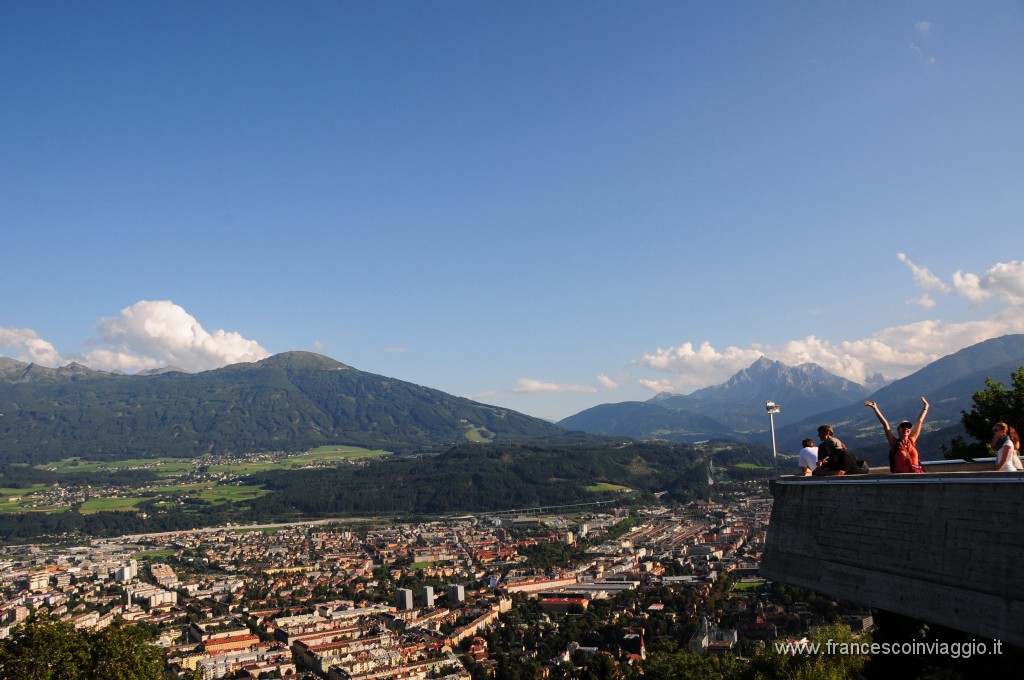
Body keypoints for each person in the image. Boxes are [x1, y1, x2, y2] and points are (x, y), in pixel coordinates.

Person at [864, 397, 929, 473]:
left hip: (916, 476)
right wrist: (875, 408)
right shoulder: (894, 443)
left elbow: (920, 421)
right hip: (901, 479)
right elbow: (885, 424)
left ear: (910, 430)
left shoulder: (911, 440)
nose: (906, 428)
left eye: (908, 427)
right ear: (898, 429)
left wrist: (926, 407)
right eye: (903, 427)